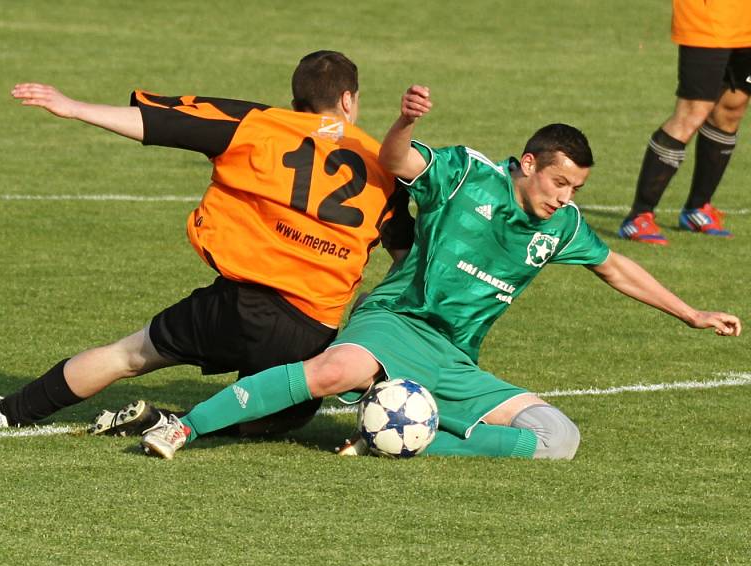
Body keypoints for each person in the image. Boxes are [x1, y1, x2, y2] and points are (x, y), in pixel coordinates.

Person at [138, 84, 742, 460]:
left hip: (454, 358)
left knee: (558, 438)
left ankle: (399, 439)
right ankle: (184, 428)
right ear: (528, 163)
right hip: (396, 321)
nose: (565, 197)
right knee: (337, 369)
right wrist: (404, 122)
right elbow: (394, 158)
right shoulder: (464, 173)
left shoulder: (561, 225)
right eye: (559, 182)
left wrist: (692, 314)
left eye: (575, 188)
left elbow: (617, 269)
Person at [0, 51, 414, 436]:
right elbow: (406, 261)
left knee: (128, 355)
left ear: (296, 102)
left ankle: (8, 413)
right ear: (349, 100)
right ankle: (172, 420)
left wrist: (74, 107)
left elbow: (161, 123)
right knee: (282, 416)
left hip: (239, 306)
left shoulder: (257, 124)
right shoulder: (384, 169)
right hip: (309, 329)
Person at [618, 0, 751, 245]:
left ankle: (697, 209)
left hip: (745, 22)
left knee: (733, 108)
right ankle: (639, 216)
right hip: (709, 19)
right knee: (692, 112)